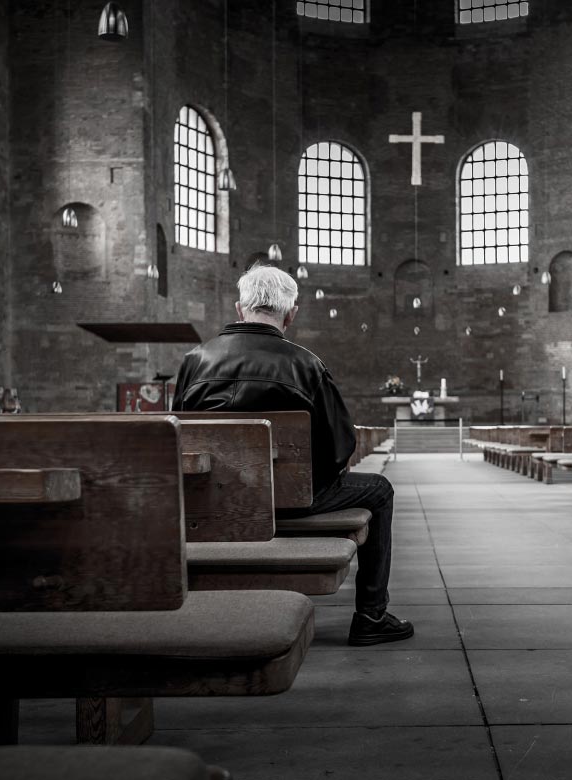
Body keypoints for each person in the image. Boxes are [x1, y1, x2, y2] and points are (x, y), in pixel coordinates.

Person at [171, 265, 414, 647]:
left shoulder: (194, 361)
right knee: (379, 490)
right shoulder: (306, 364)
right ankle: (372, 615)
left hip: (216, 503)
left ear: (239, 308)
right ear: (291, 314)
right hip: (295, 502)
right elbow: (341, 448)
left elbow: (180, 438)